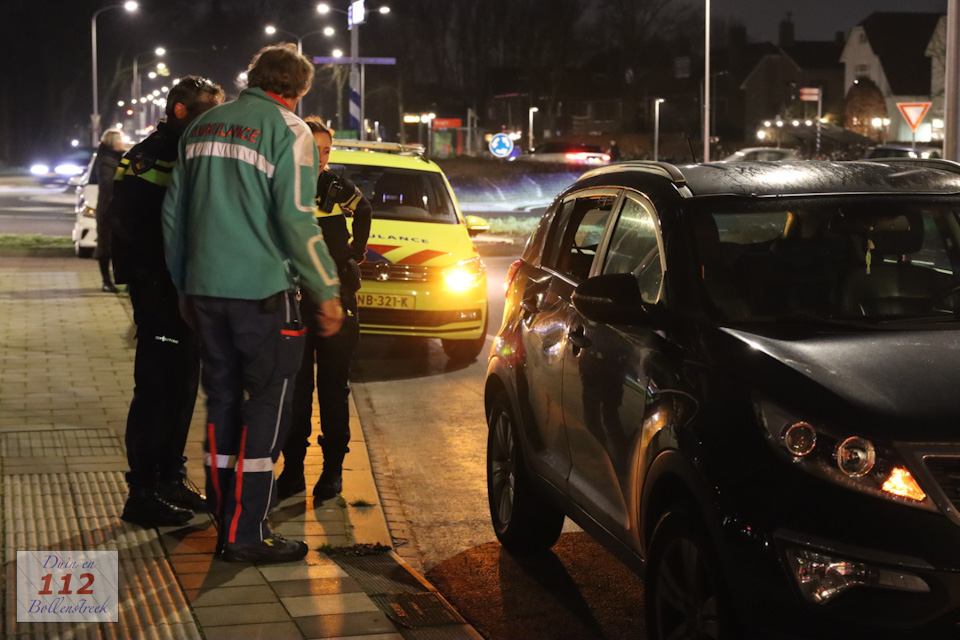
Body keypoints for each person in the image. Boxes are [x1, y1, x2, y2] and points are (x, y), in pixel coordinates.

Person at [162, 44, 343, 564]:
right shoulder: (291, 131)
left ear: (252, 77)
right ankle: (246, 534)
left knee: (221, 403)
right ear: (298, 90)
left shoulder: (203, 125)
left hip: (203, 292)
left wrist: (183, 285)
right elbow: (296, 219)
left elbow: (174, 213)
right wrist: (326, 291)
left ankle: (223, 513)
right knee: (264, 409)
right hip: (262, 295)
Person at [111, 75, 225, 528]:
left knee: (181, 387)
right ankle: (142, 492)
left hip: (183, 291)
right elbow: (134, 232)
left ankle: (170, 477)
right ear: (180, 111)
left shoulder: (183, 152)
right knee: (156, 390)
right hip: (161, 291)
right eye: (206, 111)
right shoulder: (151, 156)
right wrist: (155, 291)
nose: (213, 121)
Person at [277, 117, 371, 502]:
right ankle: (293, 471)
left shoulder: (334, 185)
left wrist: (354, 252)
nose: (320, 157)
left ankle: (333, 472)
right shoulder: (285, 183)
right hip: (295, 300)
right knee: (296, 392)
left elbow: (363, 209)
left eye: (326, 150)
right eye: (313, 149)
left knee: (333, 389)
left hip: (336, 300)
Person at [94, 129, 125, 292]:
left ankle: (121, 280)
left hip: (115, 209)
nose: (123, 142)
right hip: (108, 209)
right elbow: (108, 184)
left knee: (120, 245)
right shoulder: (107, 159)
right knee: (106, 246)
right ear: (114, 142)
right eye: (121, 140)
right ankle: (106, 281)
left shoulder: (115, 157)